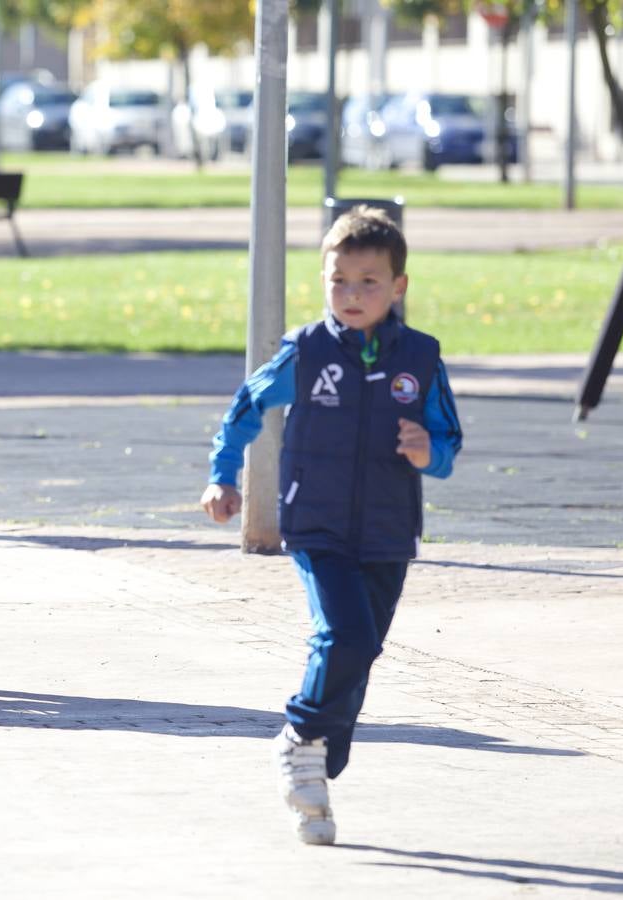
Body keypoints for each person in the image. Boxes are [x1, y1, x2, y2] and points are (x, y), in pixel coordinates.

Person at [199, 206, 462, 845]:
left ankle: (319, 754)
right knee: (343, 635)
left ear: (399, 287)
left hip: (388, 529)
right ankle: (301, 736)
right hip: (316, 523)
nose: (351, 294)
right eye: (338, 280)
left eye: (368, 281)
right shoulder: (307, 352)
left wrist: (428, 451)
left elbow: (449, 443)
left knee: (363, 646)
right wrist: (223, 474)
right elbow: (246, 405)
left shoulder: (421, 358)